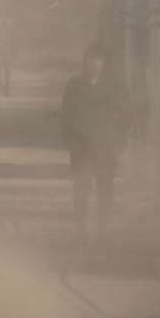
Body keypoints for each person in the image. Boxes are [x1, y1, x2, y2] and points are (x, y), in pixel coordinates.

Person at [61, 42, 130, 244]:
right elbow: (65, 116)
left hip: (105, 149)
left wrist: (119, 141)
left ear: (105, 63)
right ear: (85, 61)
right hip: (81, 148)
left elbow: (126, 116)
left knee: (105, 190)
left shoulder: (116, 88)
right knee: (81, 189)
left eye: (98, 59)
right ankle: (80, 229)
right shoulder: (74, 86)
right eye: (90, 58)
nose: (94, 63)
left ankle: (103, 229)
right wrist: (70, 142)